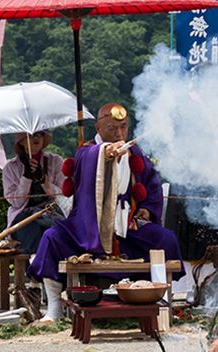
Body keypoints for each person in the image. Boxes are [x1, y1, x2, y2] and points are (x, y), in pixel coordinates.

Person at [28, 103, 182, 322]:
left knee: (165, 239)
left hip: (126, 229)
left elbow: (152, 185)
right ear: (98, 128)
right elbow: (88, 157)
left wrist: (147, 209)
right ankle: (54, 308)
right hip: (88, 228)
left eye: (123, 127)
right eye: (112, 128)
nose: (119, 134)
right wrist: (106, 151)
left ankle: (162, 304)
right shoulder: (86, 151)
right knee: (51, 238)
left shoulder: (134, 152)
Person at [2, 131, 69, 256]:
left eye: (39, 135)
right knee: (29, 229)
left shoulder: (56, 161)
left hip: (51, 211)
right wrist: (26, 178)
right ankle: (34, 268)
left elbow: (63, 193)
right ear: (21, 141)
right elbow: (16, 201)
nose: (36, 138)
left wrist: (45, 182)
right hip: (23, 215)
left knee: (58, 231)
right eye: (30, 136)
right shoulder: (10, 167)